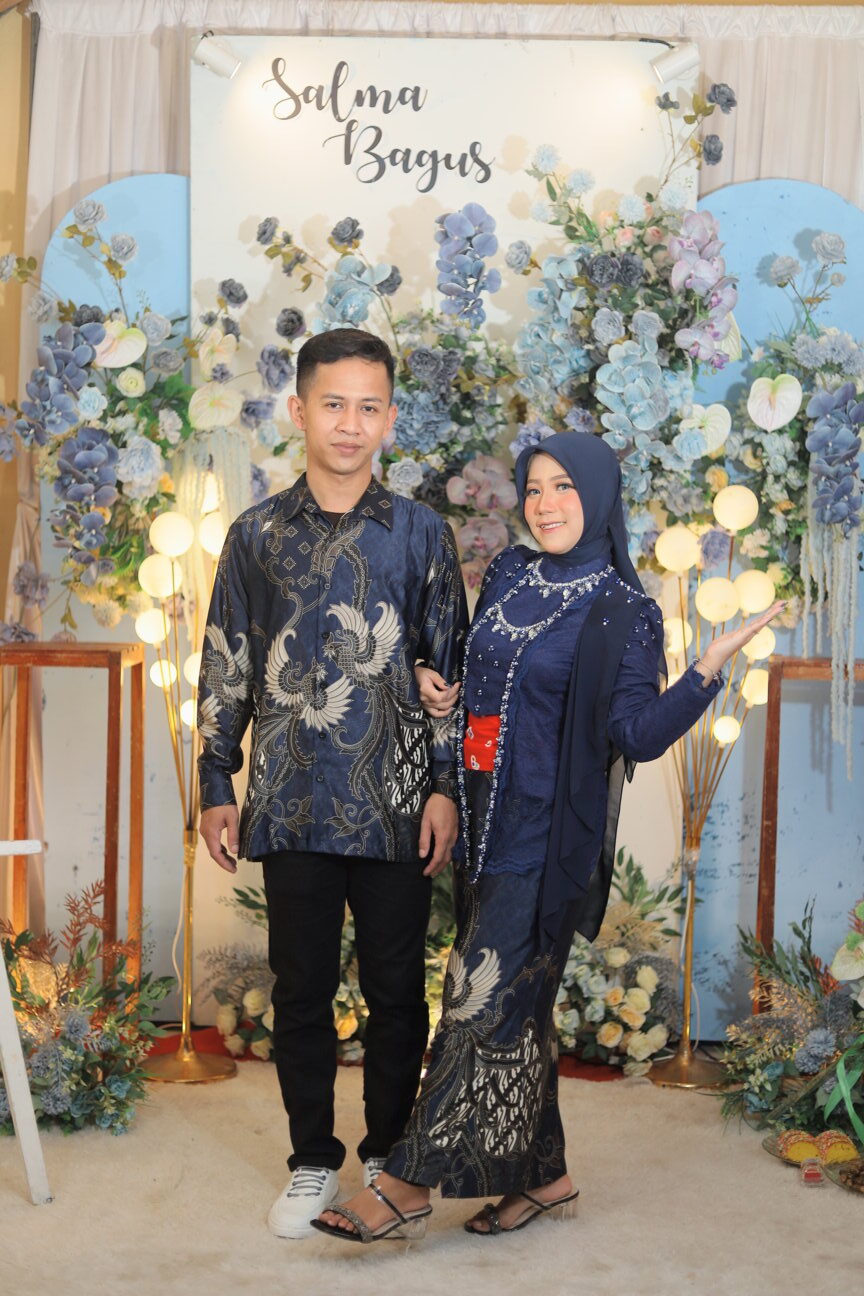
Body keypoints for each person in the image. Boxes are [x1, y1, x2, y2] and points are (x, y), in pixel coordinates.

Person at [313, 431, 783, 1244]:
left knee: (475, 997)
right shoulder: (510, 572)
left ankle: (408, 1184)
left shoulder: (624, 611)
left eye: (564, 487)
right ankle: (546, 1175)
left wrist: (706, 671)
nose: (545, 504)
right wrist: (436, 689)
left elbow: (635, 736)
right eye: (534, 488)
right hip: (481, 828)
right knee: (519, 1009)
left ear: (597, 495)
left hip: (546, 838)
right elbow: (479, 679)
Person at [197, 327, 468, 1239]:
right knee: (301, 988)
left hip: (396, 801)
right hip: (291, 796)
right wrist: (215, 778)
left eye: (368, 407)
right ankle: (313, 1159)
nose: (350, 424)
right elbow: (227, 660)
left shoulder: (422, 534)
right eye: (333, 404)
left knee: (398, 991)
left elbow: (450, 670)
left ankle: (389, 1157)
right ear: (299, 410)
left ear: (389, 419)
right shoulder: (255, 535)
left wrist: (444, 788)